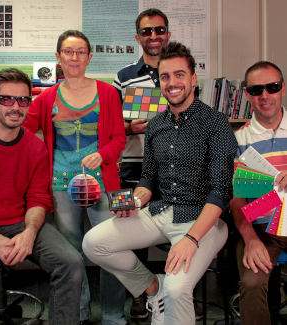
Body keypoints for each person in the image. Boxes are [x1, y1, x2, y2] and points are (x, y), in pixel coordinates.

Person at [83, 42, 238, 325]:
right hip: (161, 211)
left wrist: (191, 240)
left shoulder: (216, 123)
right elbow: (148, 179)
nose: (172, 83)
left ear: (193, 79)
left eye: (179, 75)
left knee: (179, 289)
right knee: (94, 243)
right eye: (165, 77)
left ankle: (169, 291)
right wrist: (132, 202)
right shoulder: (156, 125)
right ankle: (154, 288)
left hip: (205, 220)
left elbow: (221, 191)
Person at [23, 30, 127, 325]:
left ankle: (113, 316)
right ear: (58, 57)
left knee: (112, 248)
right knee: (72, 252)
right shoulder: (45, 98)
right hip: (60, 185)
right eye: (68, 52)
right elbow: (23, 129)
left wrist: (103, 154)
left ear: (89, 57)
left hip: (103, 183)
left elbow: (119, 138)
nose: (74, 58)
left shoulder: (107, 93)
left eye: (81, 52)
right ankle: (77, 314)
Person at [0, 67, 84, 325]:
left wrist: (29, 232)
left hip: (19, 223)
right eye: (6, 99)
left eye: (23, 100)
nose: (16, 106)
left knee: (71, 263)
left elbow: (37, 198)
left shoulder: (35, 146)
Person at [113, 8, 171, 318]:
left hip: (172, 169)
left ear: (167, 34)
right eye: (147, 31)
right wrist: (129, 127)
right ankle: (142, 293)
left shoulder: (179, 72)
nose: (153, 36)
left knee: (177, 229)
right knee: (129, 232)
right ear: (138, 37)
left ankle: (175, 294)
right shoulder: (123, 77)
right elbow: (109, 126)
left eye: (158, 30)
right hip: (130, 169)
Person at [230, 61, 287, 325]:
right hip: (263, 231)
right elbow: (236, 198)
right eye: (256, 90)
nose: (265, 96)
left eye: (272, 87)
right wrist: (250, 239)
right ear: (246, 94)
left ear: (282, 89)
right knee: (252, 283)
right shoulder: (238, 141)